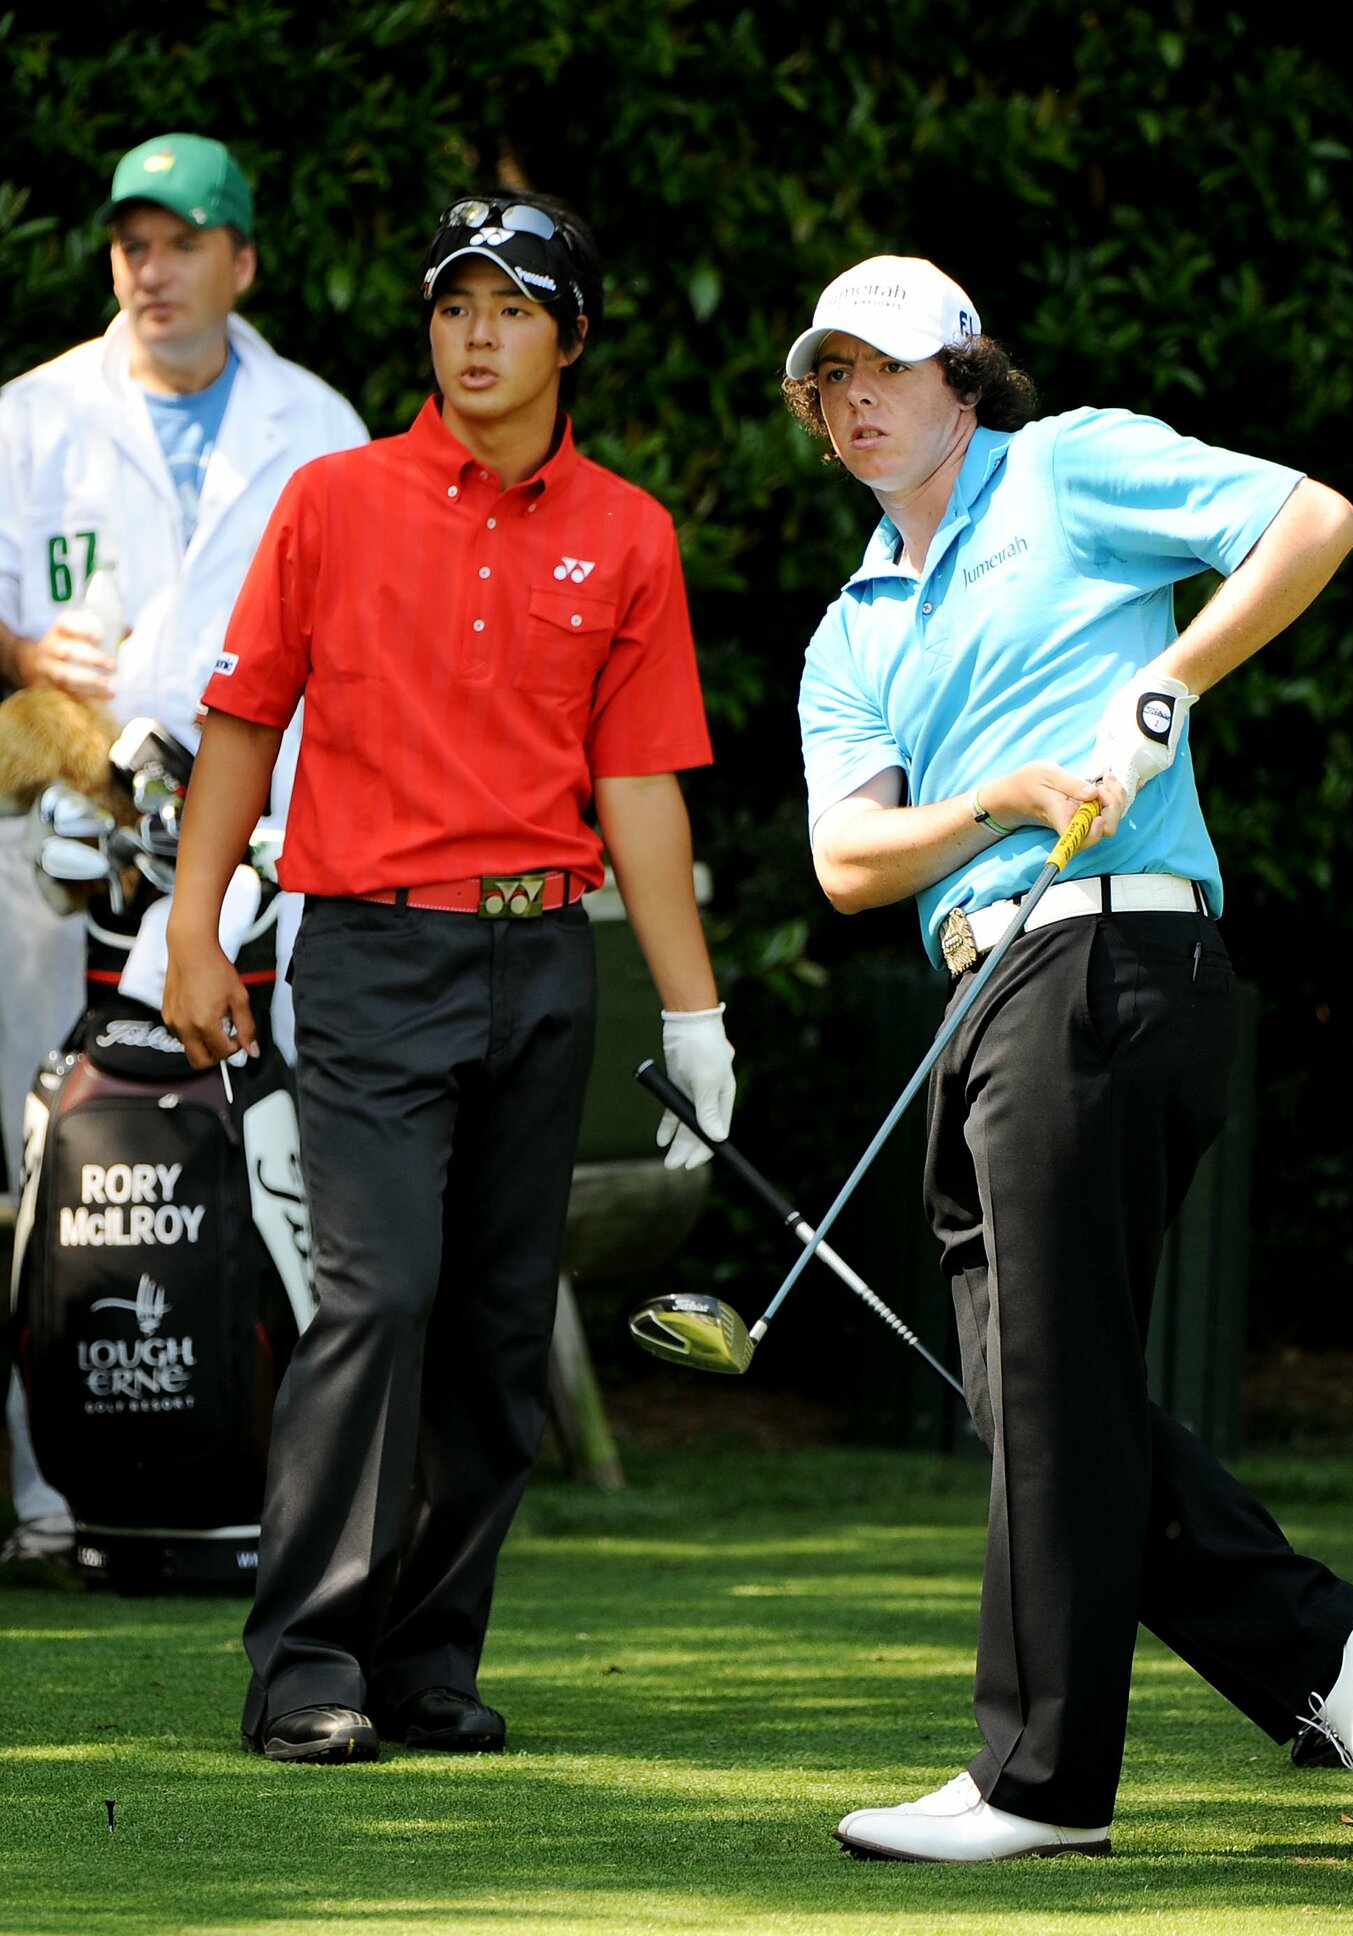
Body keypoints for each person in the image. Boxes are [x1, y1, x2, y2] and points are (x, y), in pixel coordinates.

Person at [781, 256, 1353, 1865]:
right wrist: (997, 802)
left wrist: (1167, 678)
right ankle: (1341, 1657)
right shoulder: (851, 626)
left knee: (1050, 1392)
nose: (856, 399)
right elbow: (849, 860)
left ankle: (1041, 1784)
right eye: (828, 379)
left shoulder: (1069, 466)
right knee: (1046, 1398)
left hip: (1106, 954)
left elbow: (1314, 521)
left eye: (887, 368)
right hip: (985, 989)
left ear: (964, 376)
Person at [162, 190, 735, 1765]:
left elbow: (639, 791)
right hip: (364, 947)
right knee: (382, 1296)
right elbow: (241, 725)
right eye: (453, 306)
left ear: (572, 337)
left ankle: (425, 1659)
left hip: (542, 953)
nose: (475, 336)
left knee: (494, 1327)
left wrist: (693, 1013)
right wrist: (196, 930)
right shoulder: (333, 501)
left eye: (511, 308)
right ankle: (306, 1669)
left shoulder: (629, 533)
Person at [0, 131, 365, 1565]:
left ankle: (257, 1469)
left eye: (183, 242)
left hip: (261, 856)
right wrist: (28, 652)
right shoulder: (28, 415)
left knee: (264, 1165)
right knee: (40, 1169)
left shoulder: (320, 427)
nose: (152, 271)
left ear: (243, 260)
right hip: (52, 854)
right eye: (132, 244)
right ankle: (49, 1498)